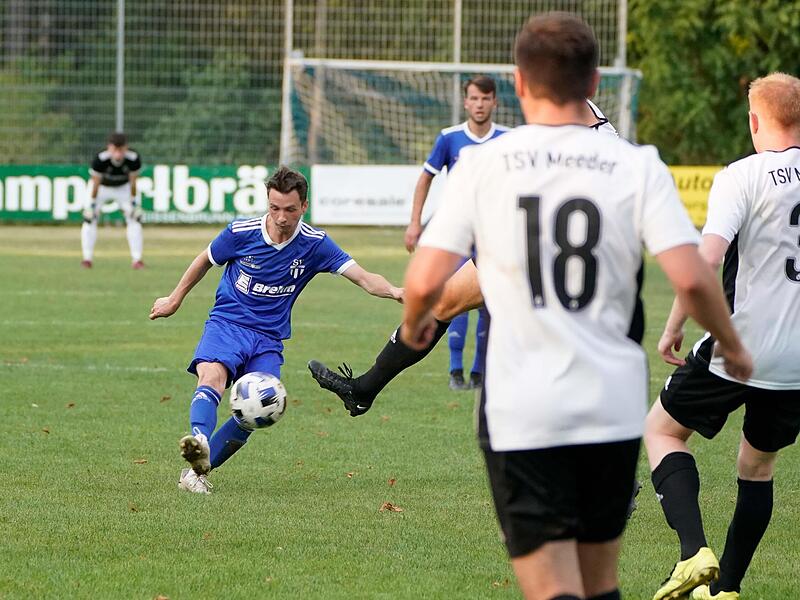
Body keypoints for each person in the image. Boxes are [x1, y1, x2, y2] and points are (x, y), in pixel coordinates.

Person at [400, 12, 752, 600]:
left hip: (520, 406)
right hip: (609, 404)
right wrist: (733, 346)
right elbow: (691, 278)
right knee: (598, 582)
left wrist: (415, 322)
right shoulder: (637, 164)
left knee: (552, 589)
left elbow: (425, 279)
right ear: (594, 85)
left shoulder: (485, 165)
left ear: (517, 83)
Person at [308, 102, 620, 416]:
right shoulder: (565, 127)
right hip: (520, 251)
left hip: (555, 262)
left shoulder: (598, 145)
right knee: (439, 306)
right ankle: (362, 390)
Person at [149, 166, 403, 494]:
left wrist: (396, 291)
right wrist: (174, 298)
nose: (281, 217)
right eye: (274, 208)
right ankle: (199, 439)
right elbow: (205, 259)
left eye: (290, 210)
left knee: (256, 412)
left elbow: (364, 277)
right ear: (267, 202)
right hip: (227, 323)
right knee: (212, 378)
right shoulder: (241, 232)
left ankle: (197, 474)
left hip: (268, 338)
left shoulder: (315, 244)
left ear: (304, 207)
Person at [645, 72, 800, 600]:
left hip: (740, 345)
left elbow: (706, 260)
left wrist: (673, 326)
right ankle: (727, 590)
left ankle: (693, 553)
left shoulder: (744, 174)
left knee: (662, 432)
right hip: (798, 361)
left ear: (755, 121)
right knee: (757, 467)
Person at [404, 75, 509, 390]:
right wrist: (415, 222)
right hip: (460, 234)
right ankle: (454, 371)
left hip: (494, 236)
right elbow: (425, 178)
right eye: (474, 98)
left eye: (485, 99)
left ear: (495, 102)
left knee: (491, 303)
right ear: (466, 102)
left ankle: (479, 372)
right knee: (455, 299)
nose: (479, 104)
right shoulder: (449, 138)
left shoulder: (508, 139)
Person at [82, 132, 144, 269]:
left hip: (123, 188)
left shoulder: (133, 158)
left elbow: (133, 183)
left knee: (134, 219)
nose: (118, 153)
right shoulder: (100, 159)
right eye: (115, 149)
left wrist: (134, 203)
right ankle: (87, 258)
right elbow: (95, 183)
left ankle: (137, 259)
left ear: (126, 148)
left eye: (121, 149)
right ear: (109, 148)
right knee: (89, 219)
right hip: (102, 188)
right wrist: (91, 205)